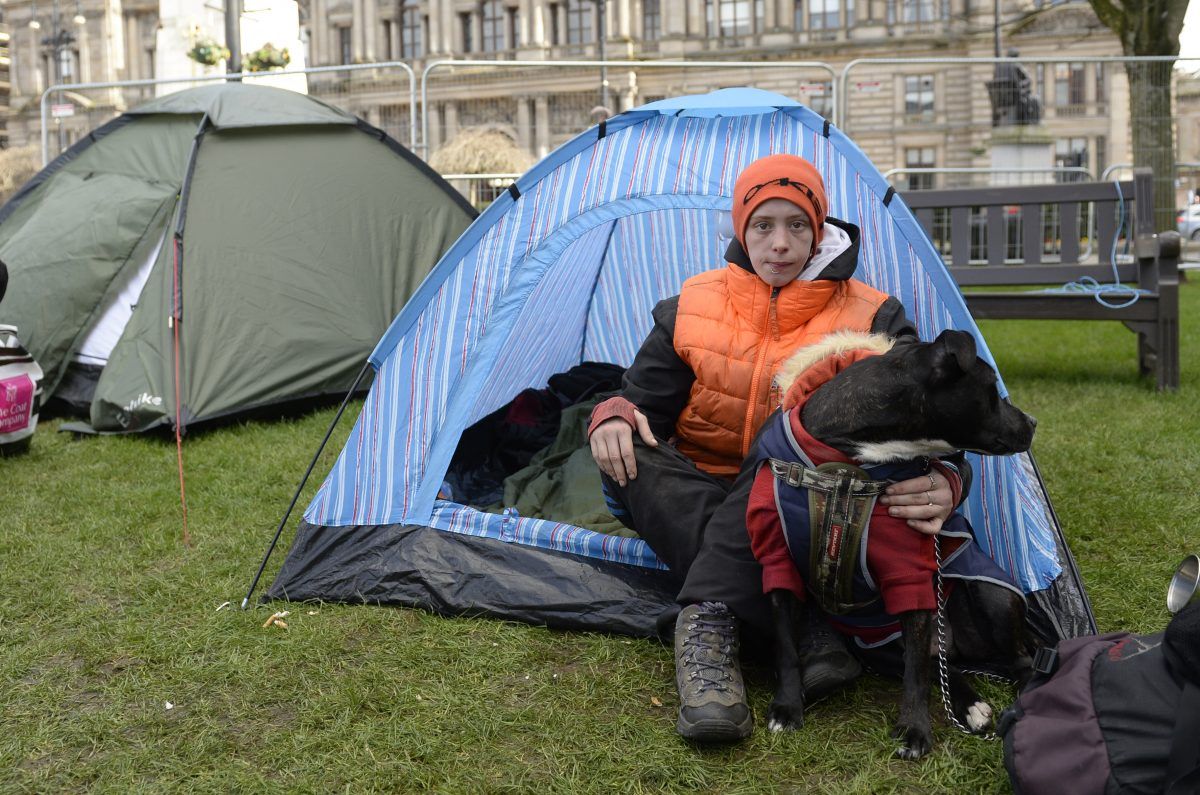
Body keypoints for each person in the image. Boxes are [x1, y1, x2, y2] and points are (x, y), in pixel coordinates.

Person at [587, 153, 967, 743]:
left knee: (775, 457)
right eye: (763, 225)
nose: (780, 244)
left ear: (819, 230)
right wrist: (610, 415)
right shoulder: (692, 303)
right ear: (741, 230)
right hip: (695, 480)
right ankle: (807, 625)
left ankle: (710, 632)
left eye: (797, 225)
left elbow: (930, 417)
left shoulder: (874, 316)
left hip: (802, 503)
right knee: (635, 456)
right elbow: (642, 403)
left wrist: (947, 477)